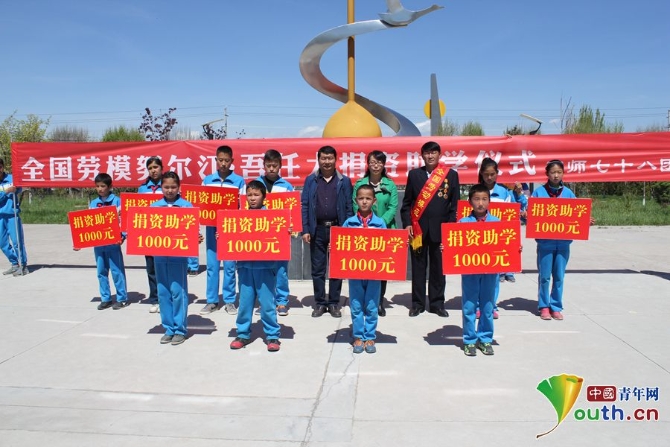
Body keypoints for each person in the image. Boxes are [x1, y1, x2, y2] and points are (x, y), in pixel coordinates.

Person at [400, 141, 459, 317]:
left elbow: (455, 205)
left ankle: (437, 304)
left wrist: (450, 228)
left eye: (433, 152)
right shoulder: (414, 175)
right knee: (418, 268)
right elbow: (407, 204)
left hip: (441, 230)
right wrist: (407, 223)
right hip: (417, 230)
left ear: (439, 154)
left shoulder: (451, 175)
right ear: (422, 155)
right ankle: (417, 304)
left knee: (438, 269)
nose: (430, 156)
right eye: (427, 153)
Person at [531, 159, 593, 321]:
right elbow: (530, 214)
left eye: (559, 172)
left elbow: (577, 214)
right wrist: (526, 215)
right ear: (547, 174)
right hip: (545, 243)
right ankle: (544, 306)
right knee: (544, 277)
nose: (556, 175)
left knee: (559, 276)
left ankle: (556, 306)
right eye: (553, 172)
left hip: (564, 243)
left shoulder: (568, 193)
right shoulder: (538, 193)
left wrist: (585, 220)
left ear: (563, 173)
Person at [150, 171, 203, 345]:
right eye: (166, 187)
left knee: (178, 292)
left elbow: (194, 229)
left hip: (178, 257)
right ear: (161, 187)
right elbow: (146, 229)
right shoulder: (154, 207)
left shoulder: (186, 206)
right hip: (159, 257)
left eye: (173, 187)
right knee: (163, 293)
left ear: (179, 187)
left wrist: (196, 237)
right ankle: (169, 328)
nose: (170, 190)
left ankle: (180, 329)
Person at [229, 180, 282, 352]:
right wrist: (222, 235)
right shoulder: (240, 217)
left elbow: (280, 238)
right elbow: (232, 237)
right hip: (245, 267)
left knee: (267, 304)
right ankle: (243, 333)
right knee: (244, 303)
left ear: (264, 197)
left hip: (265, 268)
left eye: (256, 195)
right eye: (249, 195)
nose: (252, 198)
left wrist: (286, 231)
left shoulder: (272, 217)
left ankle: (272, 335)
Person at [301, 145, 353, 318]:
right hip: (317, 229)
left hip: (338, 229)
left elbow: (349, 207)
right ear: (318, 160)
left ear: (335, 160)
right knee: (318, 269)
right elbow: (305, 205)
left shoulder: (344, 181)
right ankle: (320, 303)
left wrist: (347, 230)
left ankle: (333, 303)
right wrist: (305, 229)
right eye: (323, 158)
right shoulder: (311, 180)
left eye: (330, 158)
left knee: (336, 268)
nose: (327, 161)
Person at [477, 157, 527, 318]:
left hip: (496, 239)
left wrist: (519, 195)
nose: (489, 177)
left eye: (492, 174)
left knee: (494, 275)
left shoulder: (505, 193)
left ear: (497, 173)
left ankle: (491, 305)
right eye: (486, 174)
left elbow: (513, 213)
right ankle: (478, 305)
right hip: (478, 239)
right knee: (478, 275)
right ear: (481, 174)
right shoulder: (476, 191)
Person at [200, 145, 246, 316]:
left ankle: (229, 300)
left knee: (229, 266)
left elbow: (242, 207)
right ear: (216, 160)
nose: (224, 163)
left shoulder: (239, 181)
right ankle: (211, 301)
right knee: (212, 266)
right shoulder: (207, 180)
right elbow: (202, 204)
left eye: (227, 160)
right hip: (212, 228)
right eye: (221, 160)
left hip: (230, 229)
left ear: (232, 161)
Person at [352, 150, 398, 317]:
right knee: (364, 265)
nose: (376, 165)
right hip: (363, 230)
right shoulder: (360, 184)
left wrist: (379, 223)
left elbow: (393, 207)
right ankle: (363, 299)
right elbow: (355, 205)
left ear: (384, 164)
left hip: (385, 230)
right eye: (372, 162)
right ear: (368, 164)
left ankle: (378, 301)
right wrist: (368, 224)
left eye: (379, 162)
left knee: (381, 267)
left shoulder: (390, 184)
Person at [343, 184, 386, 354]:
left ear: (374, 201)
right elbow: (341, 243)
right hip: (354, 272)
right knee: (356, 305)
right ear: (356, 201)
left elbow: (387, 245)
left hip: (374, 272)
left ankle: (370, 336)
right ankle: (358, 336)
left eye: (368, 198)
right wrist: (335, 247)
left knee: (372, 305)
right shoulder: (349, 223)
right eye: (361, 198)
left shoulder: (380, 223)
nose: (364, 201)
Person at [459, 184, 500, 356]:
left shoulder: (497, 222)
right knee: (469, 306)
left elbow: (504, 245)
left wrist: (515, 249)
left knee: (488, 306)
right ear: (469, 202)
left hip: (490, 272)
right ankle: (469, 340)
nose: (480, 203)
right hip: (470, 272)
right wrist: (446, 248)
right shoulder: (463, 223)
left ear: (489, 201)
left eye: (484, 199)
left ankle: (485, 338)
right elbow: (456, 245)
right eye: (476, 199)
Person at [77, 173, 128, 310]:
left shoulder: (117, 201)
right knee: (101, 271)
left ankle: (122, 298)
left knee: (117, 271)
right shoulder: (94, 203)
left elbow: (124, 221)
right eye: (97, 186)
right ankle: (106, 298)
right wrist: (80, 241)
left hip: (113, 243)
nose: (100, 189)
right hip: (99, 244)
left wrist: (123, 236)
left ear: (110, 186)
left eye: (103, 186)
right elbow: (88, 224)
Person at [257, 149, 294, 317]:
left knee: (281, 270)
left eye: (274, 165)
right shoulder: (256, 184)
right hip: (261, 234)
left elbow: (292, 211)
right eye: (268, 165)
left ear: (280, 165)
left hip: (280, 234)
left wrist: (292, 227)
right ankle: (264, 301)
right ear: (263, 165)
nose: (271, 168)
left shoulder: (286, 186)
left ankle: (282, 301)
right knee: (263, 270)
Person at [137, 156, 163, 313]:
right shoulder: (142, 189)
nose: (153, 170)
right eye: (150, 168)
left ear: (161, 168)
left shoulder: (167, 185)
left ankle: (166, 298)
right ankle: (155, 299)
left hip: (165, 232)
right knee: (151, 268)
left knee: (165, 268)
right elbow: (137, 211)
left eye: (156, 167)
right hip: (149, 233)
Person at [0, 158, 28, 276]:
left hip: (12, 215)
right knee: (2, 243)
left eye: (0, 167)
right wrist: (6, 192)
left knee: (17, 242)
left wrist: (16, 189)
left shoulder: (12, 178)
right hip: (0, 217)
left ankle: (23, 265)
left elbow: (20, 188)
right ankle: (14, 263)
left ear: (2, 167)